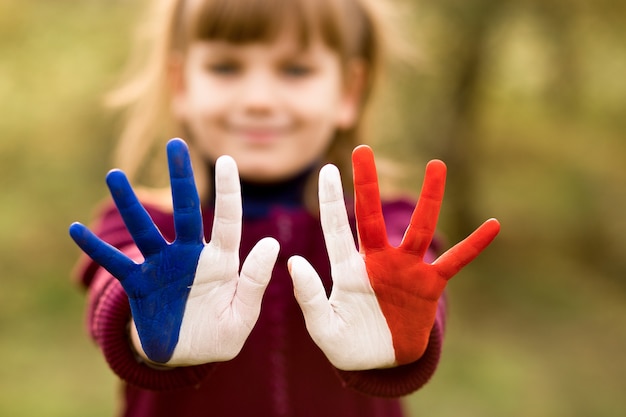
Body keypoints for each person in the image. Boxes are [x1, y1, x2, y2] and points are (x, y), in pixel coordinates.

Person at [69, 0, 500, 416]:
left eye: (295, 69)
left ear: (348, 91)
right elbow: (114, 280)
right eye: (225, 67)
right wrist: (146, 325)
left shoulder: (388, 226)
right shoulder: (143, 225)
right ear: (181, 85)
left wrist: (402, 321)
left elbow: (415, 278)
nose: (259, 100)